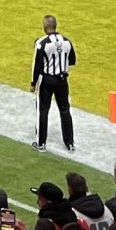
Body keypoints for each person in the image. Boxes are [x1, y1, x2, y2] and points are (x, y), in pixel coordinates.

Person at [33, 13, 75, 152]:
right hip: (63, 80)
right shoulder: (67, 41)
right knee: (65, 110)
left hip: (47, 80)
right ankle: (70, 143)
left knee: (43, 110)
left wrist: (33, 83)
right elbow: (72, 60)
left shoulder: (41, 43)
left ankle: (41, 143)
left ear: (45, 27)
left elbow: (37, 65)